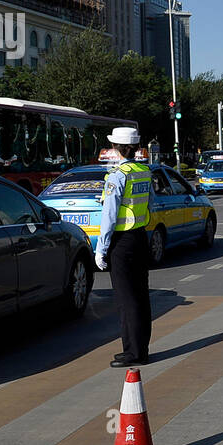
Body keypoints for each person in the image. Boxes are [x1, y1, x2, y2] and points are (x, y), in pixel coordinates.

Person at [96, 126, 153, 367]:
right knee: (140, 296)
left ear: (115, 148)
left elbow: (109, 215)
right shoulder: (143, 171)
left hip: (122, 241)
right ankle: (138, 348)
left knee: (126, 299)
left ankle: (133, 352)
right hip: (140, 236)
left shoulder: (119, 175)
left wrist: (101, 248)